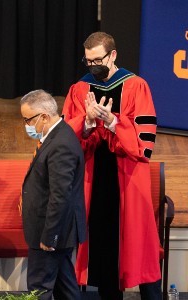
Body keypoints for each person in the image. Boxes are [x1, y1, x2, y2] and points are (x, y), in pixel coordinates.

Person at [62, 31, 161, 300]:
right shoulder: (79, 89)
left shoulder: (137, 85)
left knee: (139, 245)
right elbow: (68, 138)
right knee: (102, 247)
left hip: (128, 177)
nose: (93, 66)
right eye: (88, 61)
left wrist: (114, 122)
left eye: (98, 60)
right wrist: (89, 122)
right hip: (94, 178)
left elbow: (144, 144)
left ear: (113, 55)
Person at [20, 89, 86, 300]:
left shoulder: (61, 144)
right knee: (65, 287)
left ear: (44, 117)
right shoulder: (57, 135)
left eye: (28, 119)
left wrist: (50, 236)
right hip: (56, 230)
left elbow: (60, 195)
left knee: (39, 289)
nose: (26, 125)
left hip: (50, 232)